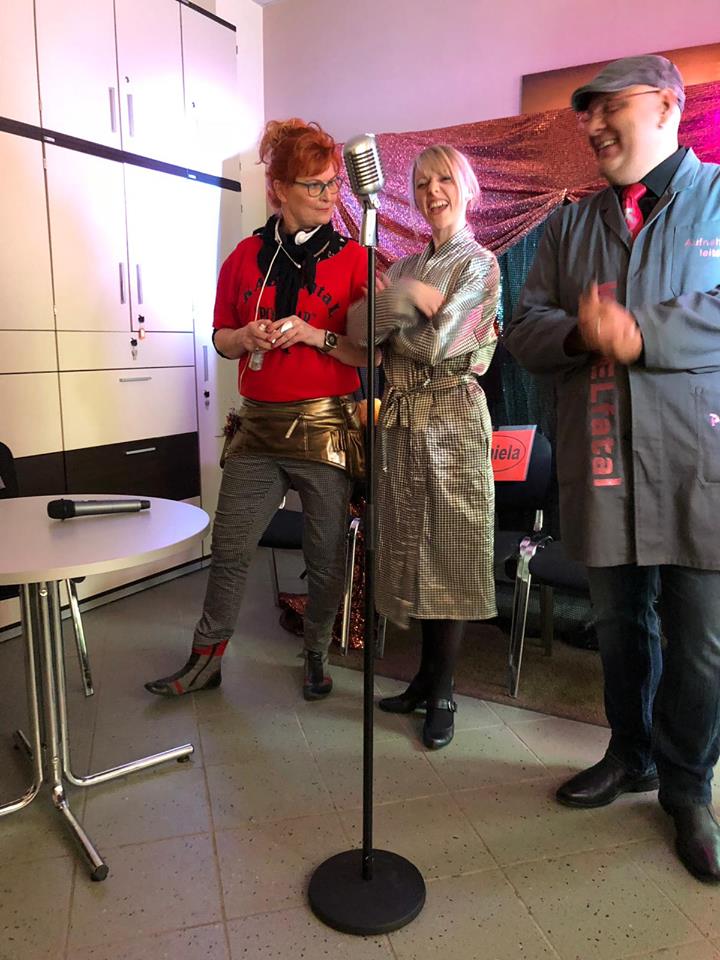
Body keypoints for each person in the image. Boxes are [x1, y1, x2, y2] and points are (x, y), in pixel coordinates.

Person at [505, 55, 720, 881]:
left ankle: (688, 788)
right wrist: (577, 333)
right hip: (600, 458)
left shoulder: (716, 199)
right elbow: (525, 326)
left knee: (701, 644)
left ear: (665, 106)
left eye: (608, 108)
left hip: (699, 463)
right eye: (585, 114)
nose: (592, 126)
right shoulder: (570, 226)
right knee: (620, 628)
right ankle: (630, 754)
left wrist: (640, 331)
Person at [146, 118, 368, 702]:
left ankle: (316, 654)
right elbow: (219, 337)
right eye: (314, 185)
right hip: (258, 427)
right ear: (279, 190)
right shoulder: (244, 257)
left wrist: (316, 335)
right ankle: (206, 660)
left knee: (325, 555)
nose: (329, 195)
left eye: (333, 183)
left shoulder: (356, 260)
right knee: (230, 547)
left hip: (326, 427)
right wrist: (244, 337)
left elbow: (369, 352)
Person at [348, 144, 500, 750]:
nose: (432, 191)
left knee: (452, 553)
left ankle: (444, 692)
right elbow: (358, 332)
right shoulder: (409, 266)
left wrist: (389, 315)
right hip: (404, 423)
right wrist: (404, 299)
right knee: (413, 551)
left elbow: (443, 345)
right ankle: (422, 678)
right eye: (421, 182)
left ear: (467, 187)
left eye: (444, 179)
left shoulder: (480, 264)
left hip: (453, 420)